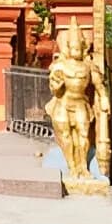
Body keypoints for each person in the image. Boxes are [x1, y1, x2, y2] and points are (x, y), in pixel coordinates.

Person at [46, 18, 104, 179]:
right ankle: (71, 166)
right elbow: (55, 89)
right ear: (68, 48)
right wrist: (57, 85)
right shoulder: (60, 66)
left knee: (83, 135)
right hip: (63, 103)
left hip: (80, 103)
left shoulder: (88, 66)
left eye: (79, 47)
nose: (76, 50)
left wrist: (104, 98)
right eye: (73, 47)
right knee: (65, 136)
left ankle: (83, 166)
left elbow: (99, 85)